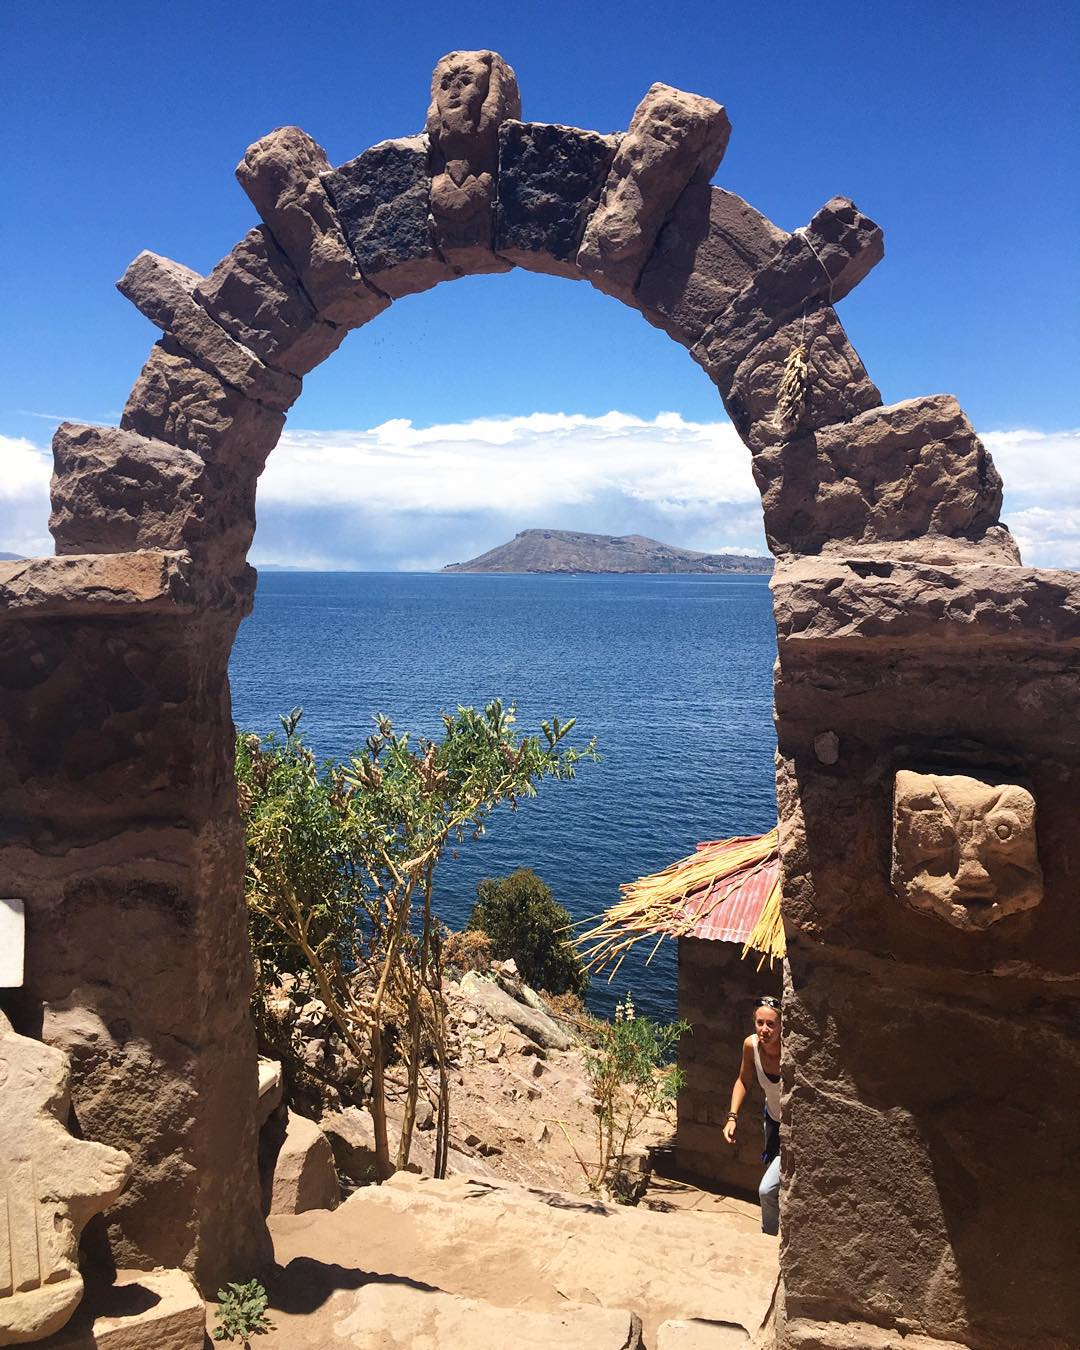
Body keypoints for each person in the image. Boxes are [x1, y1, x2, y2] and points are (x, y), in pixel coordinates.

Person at [722, 995, 782, 1235]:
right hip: (773, 1122)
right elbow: (743, 1080)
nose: (764, 1030)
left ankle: (769, 1238)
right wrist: (732, 1117)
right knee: (778, 1184)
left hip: (794, 1129)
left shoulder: (793, 1051)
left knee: (767, 1190)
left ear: (781, 1025)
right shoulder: (751, 1046)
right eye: (760, 1023)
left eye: (771, 1024)